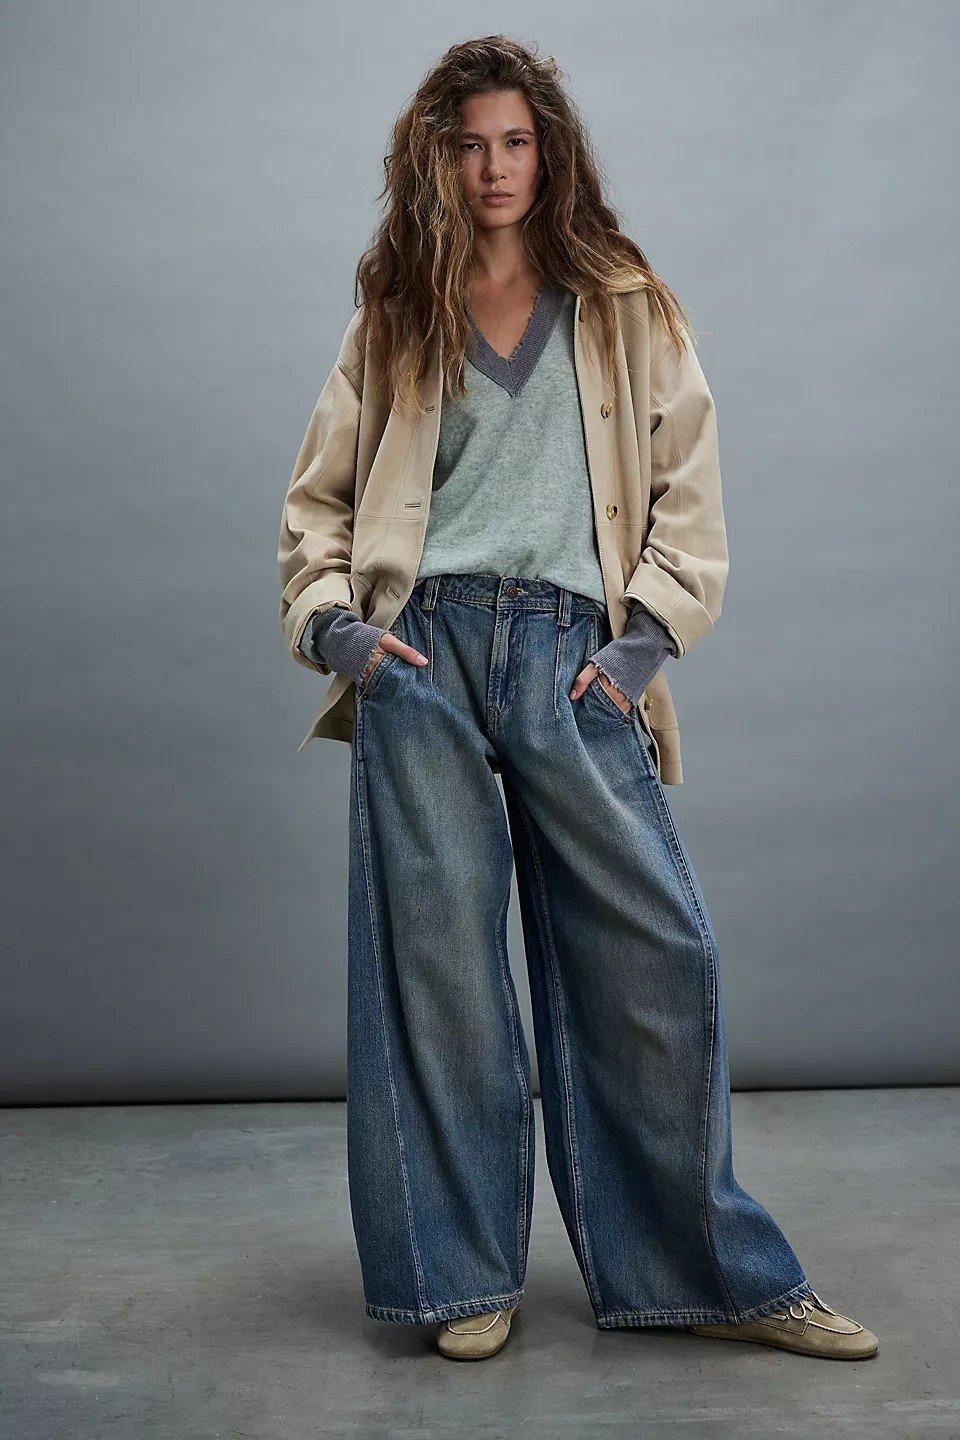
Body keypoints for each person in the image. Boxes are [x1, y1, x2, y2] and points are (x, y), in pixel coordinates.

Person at [277, 36, 878, 1363]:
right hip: (422, 658)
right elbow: (318, 502)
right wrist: (340, 633)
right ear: (436, 160)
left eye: (516, 142)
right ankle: (462, 1277)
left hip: (572, 657)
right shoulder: (397, 311)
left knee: (657, 955)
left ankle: (709, 1276)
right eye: (469, 146)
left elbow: (689, 491)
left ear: (548, 153)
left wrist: (644, 645)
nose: (494, 169)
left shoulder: (623, 302)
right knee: (440, 972)